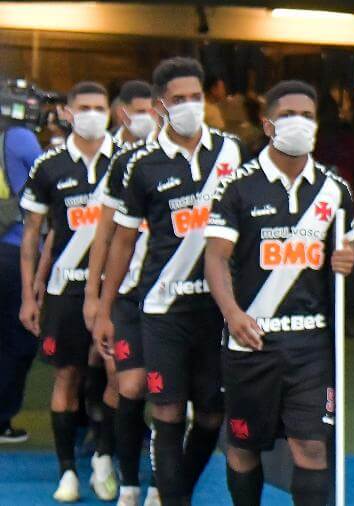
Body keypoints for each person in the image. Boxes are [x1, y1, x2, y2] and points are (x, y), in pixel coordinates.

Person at [92, 57, 243, 505]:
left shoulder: (231, 152)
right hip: (162, 308)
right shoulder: (141, 165)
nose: (190, 107)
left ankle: (171, 490)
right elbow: (120, 244)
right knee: (166, 410)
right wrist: (102, 307)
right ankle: (154, 492)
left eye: (196, 98)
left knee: (213, 417)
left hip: (215, 309)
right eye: (179, 100)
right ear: (161, 105)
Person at [205, 79, 354, 506]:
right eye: (289, 115)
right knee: (243, 446)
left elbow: (348, 245)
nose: (300, 124)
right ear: (268, 124)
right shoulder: (236, 186)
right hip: (251, 341)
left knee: (311, 446)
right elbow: (215, 258)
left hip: (311, 343)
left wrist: (349, 257)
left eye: (308, 117)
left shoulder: (334, 190)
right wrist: (233, 314)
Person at [19, 81, 119, 502]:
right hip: (65, 291)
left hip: (115, 293)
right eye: (85, 107)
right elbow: (33, 237)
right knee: (68, 376)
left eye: (100, 107)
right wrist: (30, 294)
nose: (93, 113)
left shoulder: (128, 162)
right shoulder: (49, 165)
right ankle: (67, 473)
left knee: (114, 376)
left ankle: (102, 453)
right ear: (68, 112)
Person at [84, 79, 161, 506]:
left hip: (174, 300)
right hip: (126, 294)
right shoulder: (125, 162)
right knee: (125, 382)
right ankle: (106, 454)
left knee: (161, 392)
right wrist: (96, 299)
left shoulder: (202, 164)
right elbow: (104, 236)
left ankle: (158, 480)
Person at [0, 115, 43, 444]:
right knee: (19, 337)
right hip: (14, 249)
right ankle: (1, 418)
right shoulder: (18, 138)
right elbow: (45, 182)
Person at [315, 96, 354, 336]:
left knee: (348, 269)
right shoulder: (311, 144)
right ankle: (322, 319)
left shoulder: (351, 144)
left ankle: (346, 319)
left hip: (347, 213)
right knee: (316, 268)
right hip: (315, 215)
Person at [111, 80, 158, 147]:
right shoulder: (105, 144)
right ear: (121, 112)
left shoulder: (165, 146)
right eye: (141, 111)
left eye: (152, 111)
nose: (148, 116)